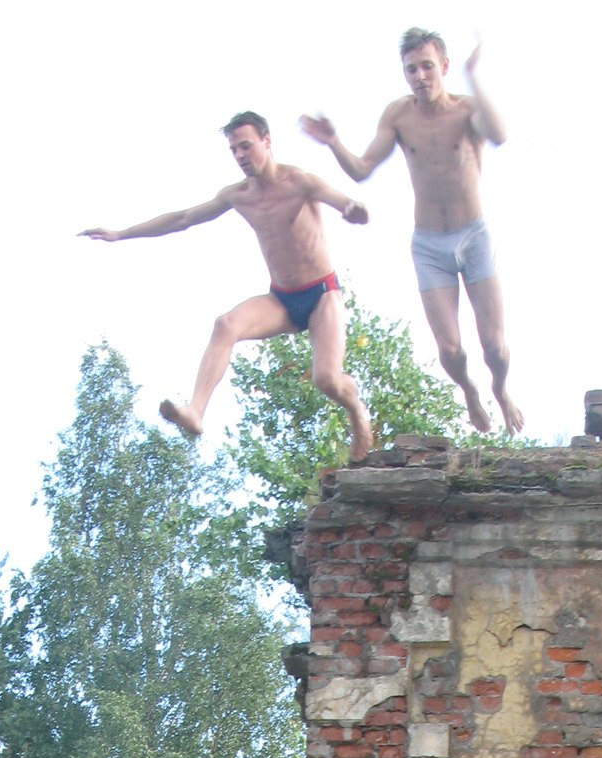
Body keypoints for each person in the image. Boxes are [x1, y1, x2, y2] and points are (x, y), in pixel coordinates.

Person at [81, 113, 374, 460]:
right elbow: (183, 218)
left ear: (267, 141)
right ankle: (196, 411)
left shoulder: (300, 182)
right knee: (226, 325)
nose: (240, 156)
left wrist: (354, 210)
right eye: (234, 150)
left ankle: (356, 409)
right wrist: (121, 234)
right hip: (282, 298)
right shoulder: (238, 196)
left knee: (326, 380)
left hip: (322, 293)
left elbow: (344, 202)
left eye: (246, 146)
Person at [301, 29, 522, 434]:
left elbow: (500, 135)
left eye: (427, 67)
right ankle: (469, 390)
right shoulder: (399, 116)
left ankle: (501, 389)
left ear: (444, 67)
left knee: (494, 346)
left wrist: (474, 76)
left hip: (474, 237)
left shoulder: (467, 110)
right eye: (411, 69)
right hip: (429, 245)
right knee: (450, 350)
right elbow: (362, 170)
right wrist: (333, 142)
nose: (420, 76)